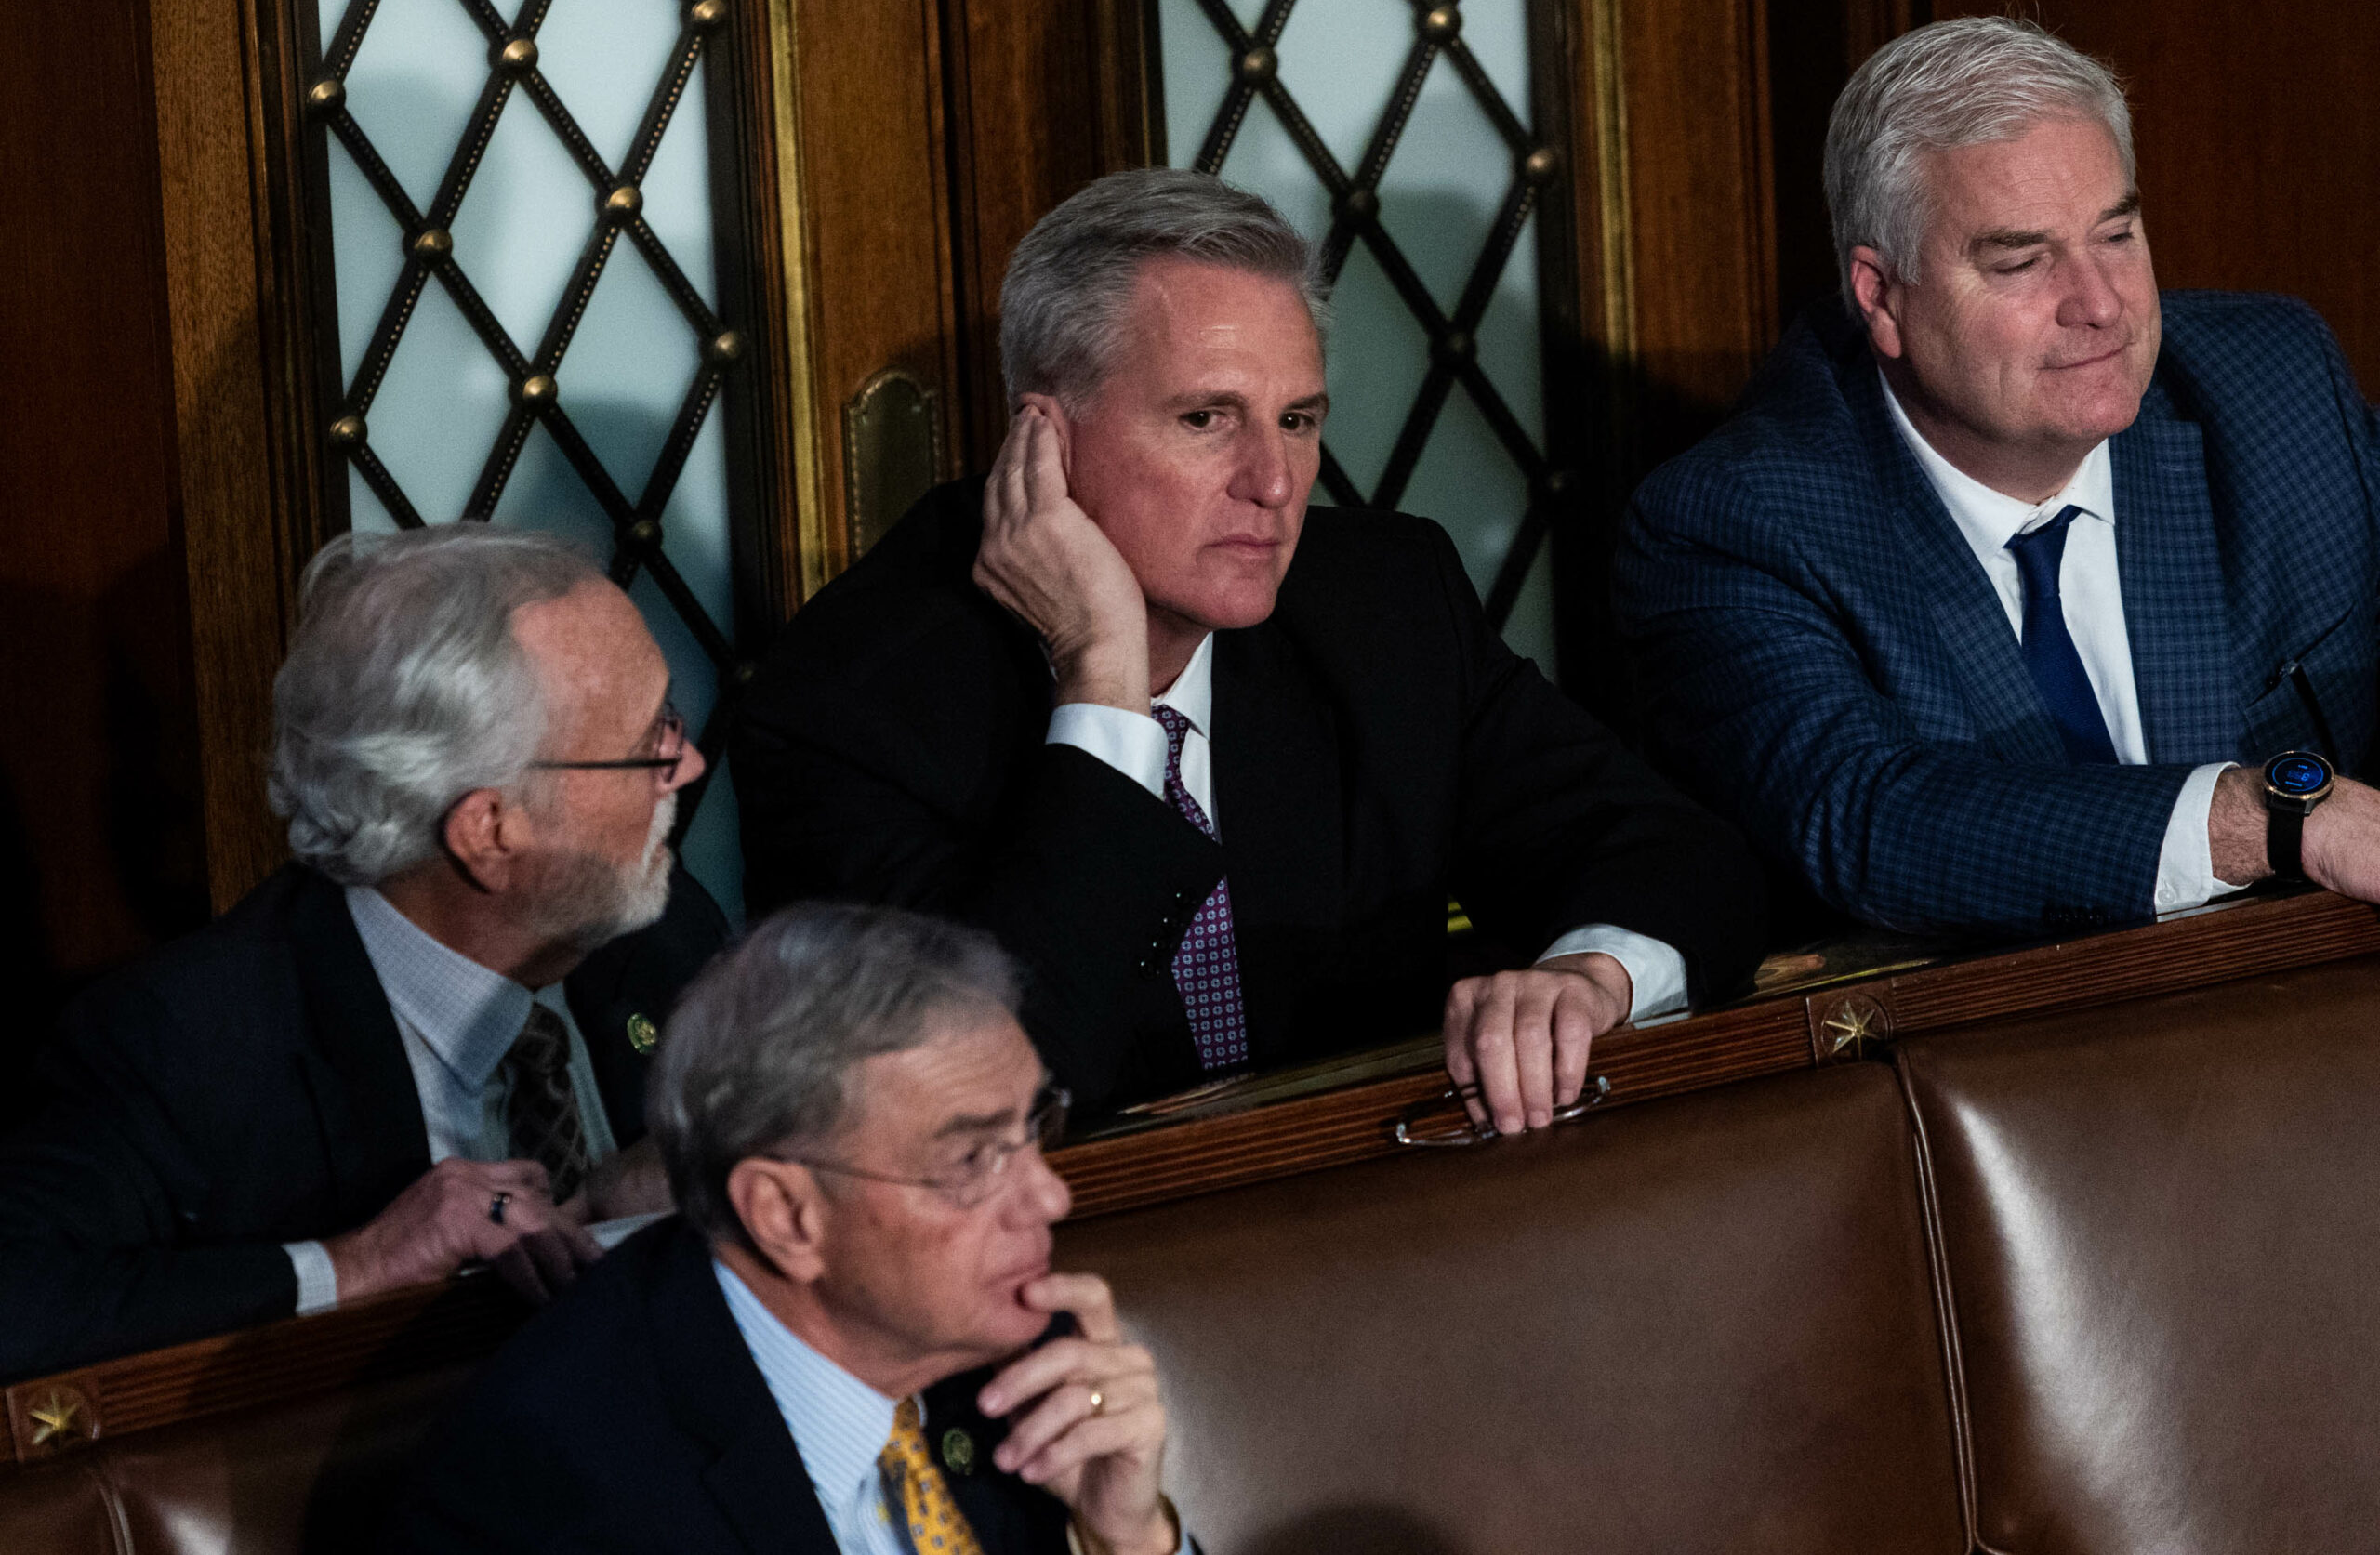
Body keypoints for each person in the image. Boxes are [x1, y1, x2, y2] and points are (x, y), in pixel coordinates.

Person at [735, 169, 1765, 1131]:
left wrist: (1588, 979)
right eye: (1204, 419)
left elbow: (1678, 855)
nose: (1274, 484)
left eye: (1297, 419)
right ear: (1042, 440)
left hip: (1380, 1223)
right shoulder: (846, 705)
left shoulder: (1383, 602)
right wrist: (1102, 685)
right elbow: (981, 1090)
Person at [1616, 17, 2380, 938]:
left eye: (2117, 235)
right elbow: (1866, 818)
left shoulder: (2271, 391)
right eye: (2020, 262)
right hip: (1985, 1054)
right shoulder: (1741, 521)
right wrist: (2269, 818)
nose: (2100, 306)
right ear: (1880, 297)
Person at [0, 524, 728, 1381]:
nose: (687, 765)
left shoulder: (654, 923)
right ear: (489, 832)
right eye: (649, 743)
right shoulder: (190, 1041)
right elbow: (21, 1301)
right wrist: (364, 1261)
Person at [387, 903, 1187, 1555]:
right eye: (975, 1159)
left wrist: (1128, 1538)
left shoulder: (1017, 1358)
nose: (1048, 1198)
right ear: (784, 1214)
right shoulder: (557, 1497)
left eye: (1034, 1127)